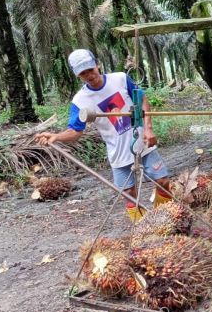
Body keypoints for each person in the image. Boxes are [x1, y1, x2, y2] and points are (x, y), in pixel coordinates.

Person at [36, 49, 172, 222]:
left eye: (90, 70)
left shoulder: (120, 79)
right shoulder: (80, 101)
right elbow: (75, 131)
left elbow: (142, 99)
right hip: (118, 152)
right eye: (83, 73)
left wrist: (148, 128)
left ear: (97, 64)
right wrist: (55, 137)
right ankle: (144, 228)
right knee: (129, 194)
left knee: (163, 182)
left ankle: (165, 219)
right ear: (78, 76)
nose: (89, 75)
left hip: (142, 142)